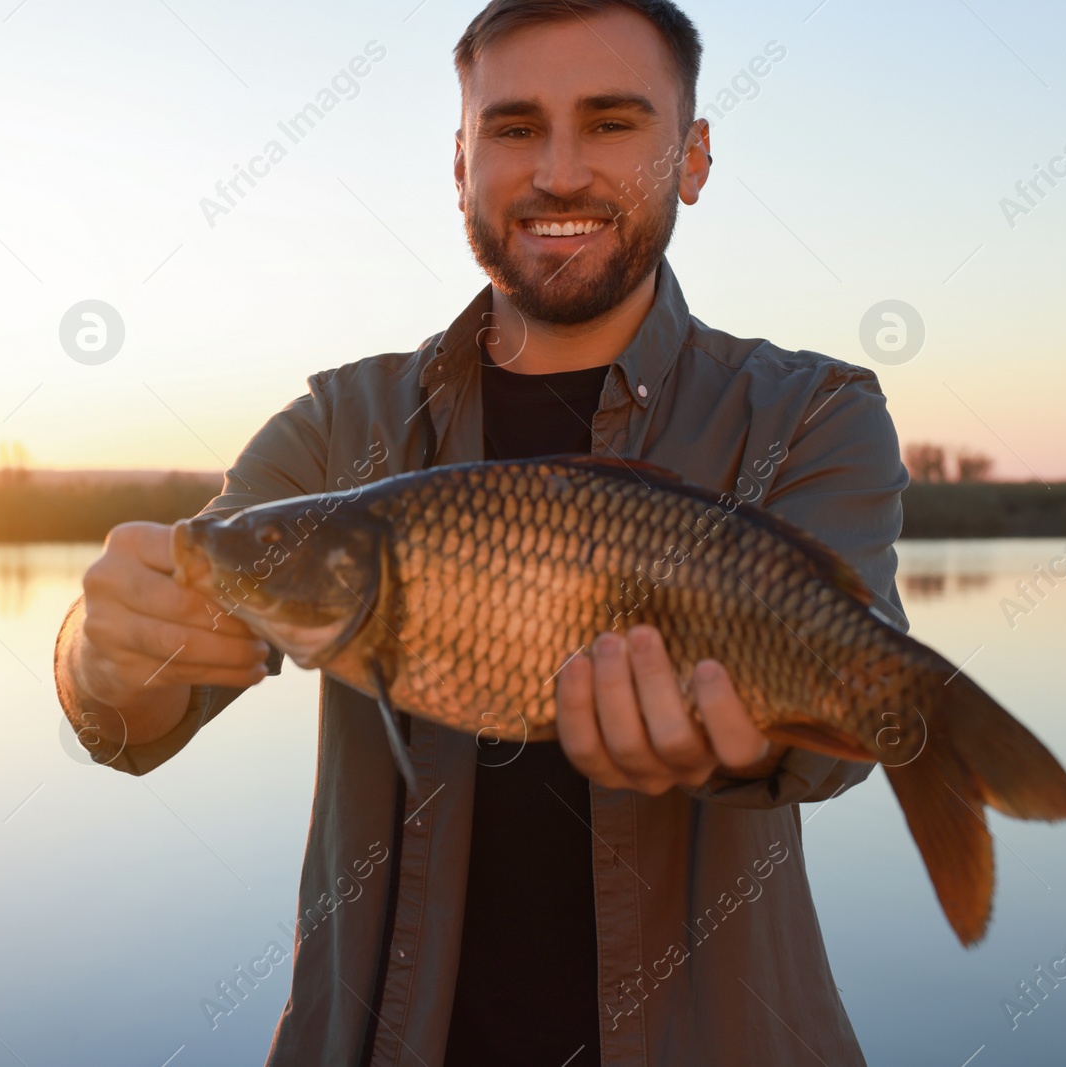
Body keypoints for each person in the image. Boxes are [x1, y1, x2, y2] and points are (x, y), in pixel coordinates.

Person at [53, 1, 908, 1063]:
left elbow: (845, 735)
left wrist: (761, 741)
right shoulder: (339, 424)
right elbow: (155, 687)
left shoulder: (810, 413)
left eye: (610, 123)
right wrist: (102, 655)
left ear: (690, 158)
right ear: (460, 163)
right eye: (511, 129)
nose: (556, 172)